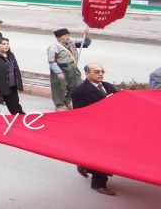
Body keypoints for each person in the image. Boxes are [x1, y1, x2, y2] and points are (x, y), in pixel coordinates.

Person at [71, 63, 118, 196]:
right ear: (87, 73)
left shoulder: (108, 86)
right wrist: (104, 102)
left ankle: (83, 164)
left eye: (102, 71)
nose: (100, 74)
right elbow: (81, 112)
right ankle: (99, 184)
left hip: (110, 127)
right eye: (96, 72)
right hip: (93, 129)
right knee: (100, 156)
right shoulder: (79, 91)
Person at [47, 28, 91, 111]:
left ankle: (68, 100)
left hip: (73, 67)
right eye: (65, 36)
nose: (68, 37)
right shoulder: (53, 47)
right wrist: (58, 72)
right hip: (61, 68)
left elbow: (85, 44)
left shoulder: (71, 43)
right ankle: (59, 105)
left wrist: (86, 35)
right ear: (59, 37)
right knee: (59, 87)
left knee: (77, 85)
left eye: (68, 35)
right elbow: (51, 61)